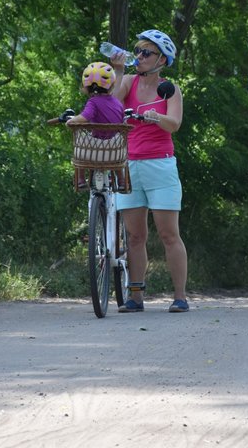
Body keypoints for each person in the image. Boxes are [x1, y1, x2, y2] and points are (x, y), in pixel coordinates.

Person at [108, 29, 188, 313]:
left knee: (168, 234)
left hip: (160, 165)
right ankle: (135, 297)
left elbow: (174, 124)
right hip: (130, 164)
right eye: (137, 51)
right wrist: (118, 71)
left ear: (161, 60)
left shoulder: (170, 89)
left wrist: (157, 117)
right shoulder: (128, 81)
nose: (139, 57)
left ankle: (180, 297)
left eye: (146, 53)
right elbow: (111, 107)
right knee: (134, 236)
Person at [67, 61, 126, 190]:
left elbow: (85, 117)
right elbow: (122, 120)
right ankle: (121, 180)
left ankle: (80, 179)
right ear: (112, 85)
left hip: (96, 148)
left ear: (86, 86)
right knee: (117, 146)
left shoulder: (93, 101)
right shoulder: (118, 103)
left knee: (79, 143)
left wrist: (71, 121)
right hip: (115, 150)